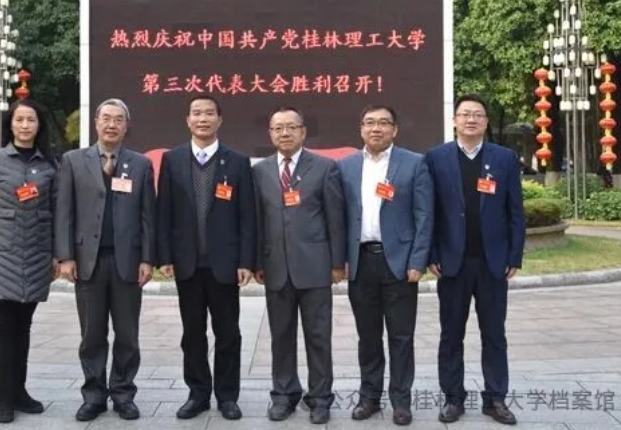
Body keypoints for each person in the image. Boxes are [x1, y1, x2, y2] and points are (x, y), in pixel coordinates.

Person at [425, 94, 525, 425]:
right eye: (465, 114)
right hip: (451, 263)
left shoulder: (504, 158)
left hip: (492, 264)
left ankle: (495, 399)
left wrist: (514, 255)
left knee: (494, 334)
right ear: (454, 120)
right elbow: (429, 212)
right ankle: (453, 398)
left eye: (478, 114)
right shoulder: (436, 158)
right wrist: (432, 253)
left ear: (485, 121)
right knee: (451, 335)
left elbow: (515, 211)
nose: (471, 119)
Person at [54, 98, 156, 422]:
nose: (112, 125)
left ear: (126, 126)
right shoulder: (73, 161)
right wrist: (65, 257)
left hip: (128, 263)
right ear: (96, 123)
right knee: (92, 336)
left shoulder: (140, 164)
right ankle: (94, 396)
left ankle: (123, 394)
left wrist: (147, 258)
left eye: (118, 119)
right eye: (106, 118)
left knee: (127, 335)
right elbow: (64, 212)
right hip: (88, 262)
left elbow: (148, 217)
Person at [156, 95, 256, 421]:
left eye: (209, 113)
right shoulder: (172, 160)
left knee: (228, 334)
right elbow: (164, 211)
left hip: (224, 265)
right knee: (192, 334)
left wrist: (246, 261)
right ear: (187, 120)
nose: (202, 119)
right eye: (196, 113)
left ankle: (227, 396)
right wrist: (164, 256)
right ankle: (197, 394)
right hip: (187, 264)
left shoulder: (237, 162)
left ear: (219, 120)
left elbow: (247, 217)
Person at [337, 105, 433, 426]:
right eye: (369, 123)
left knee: (401, 337)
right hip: (360, 262)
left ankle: (401, 402)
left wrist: (418, 260)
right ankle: (369, 397)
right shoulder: (347, 166)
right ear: (361, 128)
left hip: (400, 263)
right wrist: (340, 260)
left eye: (383, 123)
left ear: (395, 129)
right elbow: (339, 217)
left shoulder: (414, 163)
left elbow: (424, 216)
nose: (375, 128)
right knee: (368, 336)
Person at [0, 98, 58, 424]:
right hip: (1, 254)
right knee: (4, 327)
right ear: (11, 124)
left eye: (30, 120)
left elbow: (58, 212)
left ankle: (19, 392)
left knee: (24, 327)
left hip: (36, 255)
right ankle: (2, 398)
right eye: (19, 120)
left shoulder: (50, 165)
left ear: (39, 125)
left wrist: (58, 255)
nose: (24, 125)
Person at [252, 106, 346, 424]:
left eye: (291, 127)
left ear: (303, 131)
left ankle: (320, 398)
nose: (285, 133)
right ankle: (284, 395)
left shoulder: (324, 167)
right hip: (275, 267)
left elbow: (335, 219)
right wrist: (257, 261)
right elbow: (257, 221)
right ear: (270, 134)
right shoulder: (260, 171)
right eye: (278, 128)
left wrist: (337, 263)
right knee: (281, 337)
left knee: (318, 337)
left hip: (315, 268)